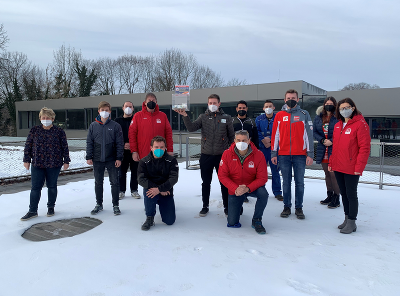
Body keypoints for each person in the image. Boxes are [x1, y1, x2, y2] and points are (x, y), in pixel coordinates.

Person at [175, 94, 235, 217]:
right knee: (206, 182)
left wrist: (228, 150)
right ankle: (205, 206)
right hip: (206, 155)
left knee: (224, 182)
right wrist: (185, 116)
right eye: (210, 103)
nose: (212, 105)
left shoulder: (226, 118)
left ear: (219, 104)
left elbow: (232, 137)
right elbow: (192, 128)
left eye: (214, 103)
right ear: (208, 104)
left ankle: (227, 206)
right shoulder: (203, 117)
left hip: (222, 156)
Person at [329, 98, 371, 234]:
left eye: (347, 107)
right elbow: (335, 147)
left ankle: (352, 221)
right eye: (341, 108)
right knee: (344, 194)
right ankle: (347, 219)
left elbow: (364, 148)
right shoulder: (337, 125)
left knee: (351, 194)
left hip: (352, 167)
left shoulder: (360, 124)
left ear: (353, 108)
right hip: (339, 166)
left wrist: (359, 167)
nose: (344, 110)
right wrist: (331, 162)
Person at [271, 89, 314, 219]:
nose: (291, 99)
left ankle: (299, 207)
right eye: (289, 97)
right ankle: (286, 206)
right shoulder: (279, 115)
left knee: (300, 182)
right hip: (283, 155)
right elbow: (275, 135)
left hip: (300, 155)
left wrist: (310, 153)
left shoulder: (304, 114)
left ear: (298, 99)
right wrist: (274, 153)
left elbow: (309, 135)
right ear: (284, 100)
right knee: (286, 182)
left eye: (294, 98)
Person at [21, 107, 70, 221]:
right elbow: (28, 146)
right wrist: (26, 160)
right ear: (40, 118)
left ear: (52, 119)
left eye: (48, 117)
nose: (45, 119)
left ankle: (51, 207)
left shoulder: (59, 132)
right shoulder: (34, 130)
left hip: (54, 163)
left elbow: (65, 147)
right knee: (35, 188)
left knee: (52, 186)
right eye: (43, 117)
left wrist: (66, 160)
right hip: (38, 164)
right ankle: (32, 210)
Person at [218, 130, 269, 234]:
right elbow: (222, 175)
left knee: (263, 194)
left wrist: (248, 188)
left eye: (244, 140)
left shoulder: (258, 155)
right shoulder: (227, 154)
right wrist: (235, 188)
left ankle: (257, 220)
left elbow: (263, 178)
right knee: (232, 222)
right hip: (235, 189)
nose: (241, 142)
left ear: (249, 141)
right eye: (239, 140)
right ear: (234, 141)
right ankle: (239, 203)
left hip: (252, 187)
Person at [86, 101, 124, 216]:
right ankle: (99, 204)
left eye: (107, 110)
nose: (104, 112)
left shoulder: (115, 126)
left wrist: (119, 157)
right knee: (98, 182)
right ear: (98, 111)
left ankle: (116, 205)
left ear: (110, 111)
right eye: (102, 110)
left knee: (115, 182)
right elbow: (89, 142)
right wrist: (89, 156)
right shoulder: (93, 126)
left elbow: (119, 143)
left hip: (112, 159)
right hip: (97, 159)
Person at [138, 136, 179, 231]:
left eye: (161, 147)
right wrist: (158, 190)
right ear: (151, 148)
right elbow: (141, 179)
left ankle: (163, 204)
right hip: (152, 190)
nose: (159, 149)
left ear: (165, 148)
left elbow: (174, 178)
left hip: (166, 190)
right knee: (149, 192)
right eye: (156, 147)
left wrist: (160, 189)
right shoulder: (144, 162)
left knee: (170, 221)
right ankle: (149, 217)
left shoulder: (171, 161)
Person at [129, 93, 174, 163]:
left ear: (156, 102)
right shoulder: (138, 116)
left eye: (153, 100)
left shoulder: (162, 116)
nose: (151, 102)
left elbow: (168, 133)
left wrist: (170, 150)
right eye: (149, 100)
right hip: (143, 153)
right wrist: (134, 151)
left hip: (160, 153)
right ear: (145, 102)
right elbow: (132, 134)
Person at [313, 97, 340, 208]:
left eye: (331, 103)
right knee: (327, 174)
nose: (329, 105)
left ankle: (336, 197)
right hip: (323, 149)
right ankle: (329, 195)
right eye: (327, 103)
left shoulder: (339, 117)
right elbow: (314, 131)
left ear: (335, 105)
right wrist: (322, 140)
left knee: (334, 174)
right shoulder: (319, 117)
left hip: (334, 149)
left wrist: (331, 141)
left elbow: (340, 132)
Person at [232, 100, 259, 202]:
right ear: (237, 109)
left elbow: (255, 137)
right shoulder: (232, 121)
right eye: (240, 108)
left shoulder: (251, 121)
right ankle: (235, 192)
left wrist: (257, 150)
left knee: (247, 172)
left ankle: (245, 193)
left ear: (246, 109)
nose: (241, 110)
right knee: (236, 173)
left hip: (249, 152)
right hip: (234, 151)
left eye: (243, 108)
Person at [256, 100, 283, 201]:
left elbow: (281, 131)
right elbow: (256, 131)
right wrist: (263, 139)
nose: (268, 108)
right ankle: (259, 190)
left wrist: (271, 140)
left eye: (270, 106)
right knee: (260, 171)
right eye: (266, 106)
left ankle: (277, 192)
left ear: (274, 107)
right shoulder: (259, 119)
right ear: (263, 108)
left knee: (275, 171)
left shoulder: (278, 118)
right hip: (262, 148)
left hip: (274, 149)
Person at [114, 101, 140, 199]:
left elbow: (140, 135)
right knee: (121, 172)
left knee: (135, 172)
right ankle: (121, 190)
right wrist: (123, 144)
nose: (128, 108)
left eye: (130, 106)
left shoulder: (137, 120)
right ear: (122, 108)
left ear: (133, 108)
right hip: (122, 152)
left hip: (135, 151)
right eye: (126, 106)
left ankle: (134, 190)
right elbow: (115, 136)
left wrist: (132, 145)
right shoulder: (117, 121)